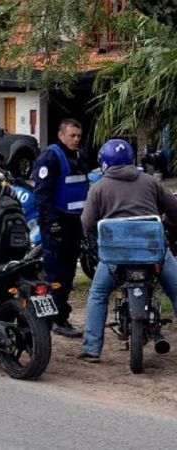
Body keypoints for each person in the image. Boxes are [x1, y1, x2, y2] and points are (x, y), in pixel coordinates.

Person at [78, 139, 177, 362]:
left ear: (104, 162)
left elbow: (85, 224)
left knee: (98, 294)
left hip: (116, 255)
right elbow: (174, 211)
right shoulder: (150, 182)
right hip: (153, 253)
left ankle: (92, 349)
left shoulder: (99, 187)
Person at [32, 118, 89, 338]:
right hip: (56, 223)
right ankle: (53, 319)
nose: (75, 140)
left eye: (78, 136)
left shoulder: (79, 155)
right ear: (61, 135)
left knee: (67, 274)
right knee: (55, 274)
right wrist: (52, 222)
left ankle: (59, 316)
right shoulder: (51, 157)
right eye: (72, 135)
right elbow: (42, 194)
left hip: (74, 222)